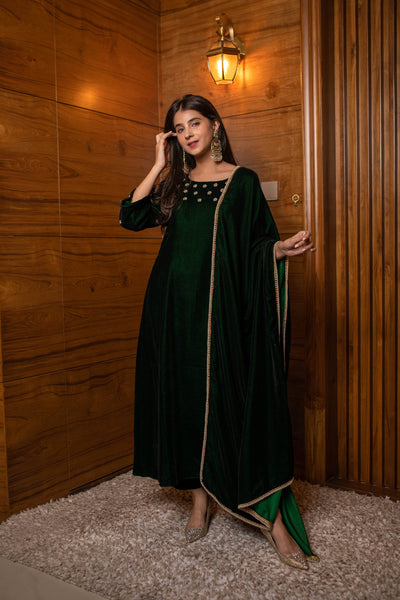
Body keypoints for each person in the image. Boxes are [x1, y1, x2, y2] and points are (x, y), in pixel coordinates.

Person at [119, 94, 318, 570]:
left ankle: (272, 519)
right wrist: (158, 163)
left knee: (232, 396)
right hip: (173, 308)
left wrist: (279, 251)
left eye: (194, 123)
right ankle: (199, 501)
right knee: (186, 398)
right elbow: (130, 216)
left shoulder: (242, 181)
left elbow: (256, 244)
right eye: (178, 128)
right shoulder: (175, 184)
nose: (187, 133)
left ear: (213, 125)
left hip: (222, 312)